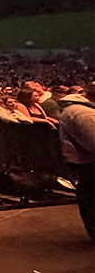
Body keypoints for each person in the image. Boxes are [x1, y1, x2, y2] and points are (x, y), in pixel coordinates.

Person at [58, 83, 95, 240]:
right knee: (91, 196)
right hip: (89, 161)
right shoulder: (83, 114)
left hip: (86, 159)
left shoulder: (80, 109)